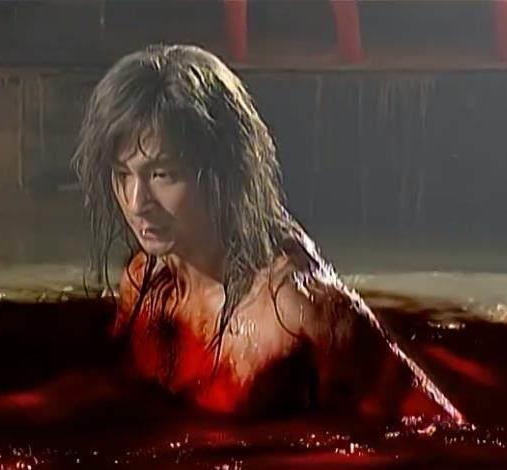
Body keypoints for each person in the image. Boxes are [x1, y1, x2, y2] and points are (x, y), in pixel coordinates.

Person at [71, 44, 360, 416]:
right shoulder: (144, 283)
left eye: (162, 174)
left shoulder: (293, 308)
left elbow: (426, 420)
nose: (136, 202)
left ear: (222, 173)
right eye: (122, 174)